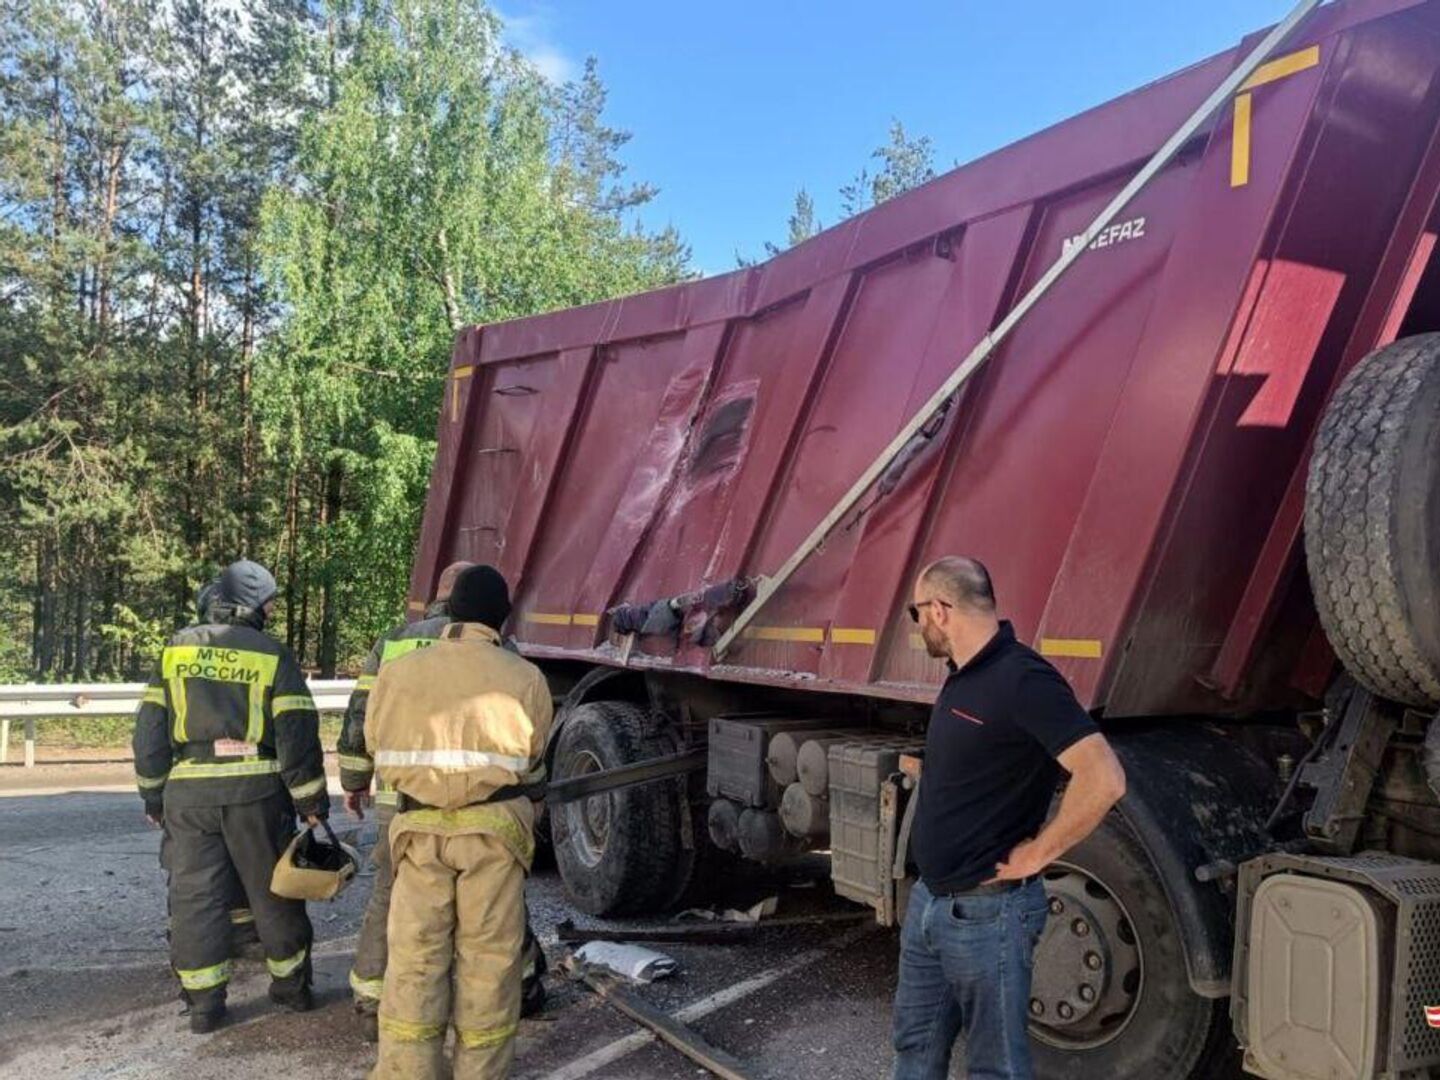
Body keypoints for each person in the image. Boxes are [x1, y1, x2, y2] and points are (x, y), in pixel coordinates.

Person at [892, 557, 1127, 1080]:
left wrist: (1040, 853)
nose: (917, 626)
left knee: (995, 1068)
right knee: (914, 1048)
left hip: (987, 915)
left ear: (940, 609)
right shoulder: (965, 675)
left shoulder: (1023, 679)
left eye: (917, 613)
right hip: (931, 903)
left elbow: (1104, 777)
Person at [365, 564, 552, 1079]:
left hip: (418, 829)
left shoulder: (399, 672)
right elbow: (534, 759)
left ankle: (407, 1071)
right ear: (501, 619)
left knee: (414, 960)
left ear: (451, 610)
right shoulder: (525, 677)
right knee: (489, 963)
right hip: (493, 834)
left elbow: (375, 741)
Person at [133, 559, 329, 1033]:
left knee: (195, 898)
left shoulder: (175, 650)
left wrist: (153, 795)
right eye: (268, 603)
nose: (270, 611)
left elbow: (150, 732)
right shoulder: (271, 653)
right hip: (256, 790)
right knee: (274, 892)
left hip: (189, 793)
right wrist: (310, 805)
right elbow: (296, 734)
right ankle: (290, 989)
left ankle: (204, 1005)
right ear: (251, 604)